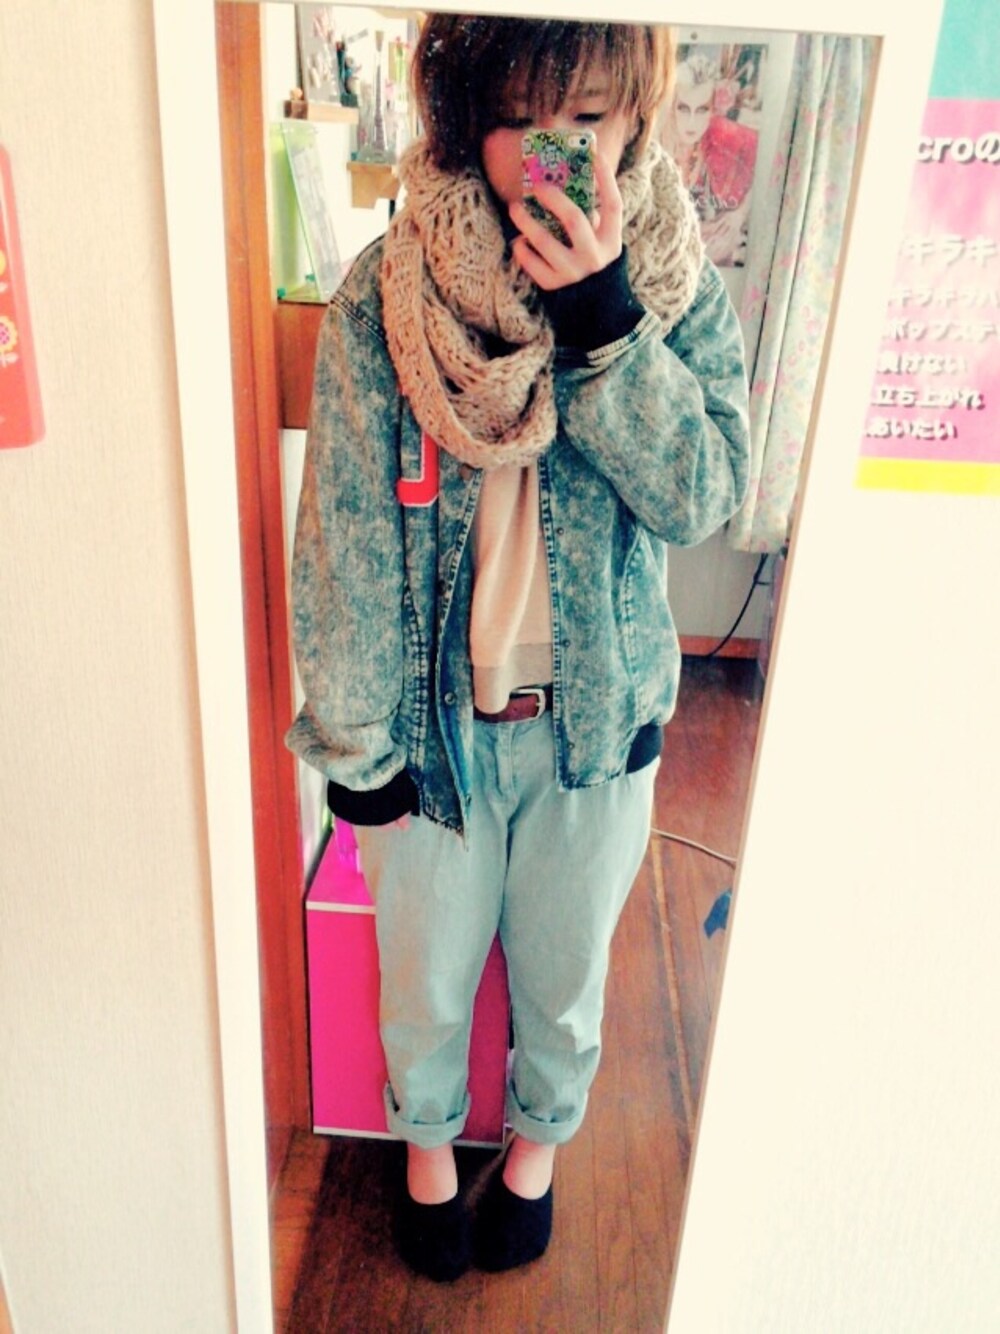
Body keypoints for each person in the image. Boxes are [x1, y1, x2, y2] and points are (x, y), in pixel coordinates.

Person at [287, 14, 750, 1282]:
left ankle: (537, 1149)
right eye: (522, 118)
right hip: (432, 727)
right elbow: (340, 533)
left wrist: (606, 324)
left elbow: (704, 494)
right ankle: (428, 1150)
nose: (557, 148)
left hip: (595, 729)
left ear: (636, 116)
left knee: (561, 977)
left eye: (588, 117)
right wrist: (355, 746)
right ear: (461, 114)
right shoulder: (386, 291)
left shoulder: (672, 287)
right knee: (424, 979)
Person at [661, 51, 758, 267]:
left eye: (701, 110)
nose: (692, 122)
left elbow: (766, 166)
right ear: (673, 106)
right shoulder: (659, 139)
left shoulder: (724, 136)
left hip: (714, 247)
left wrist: (739, 214)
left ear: (712, 110)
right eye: (683, 108)